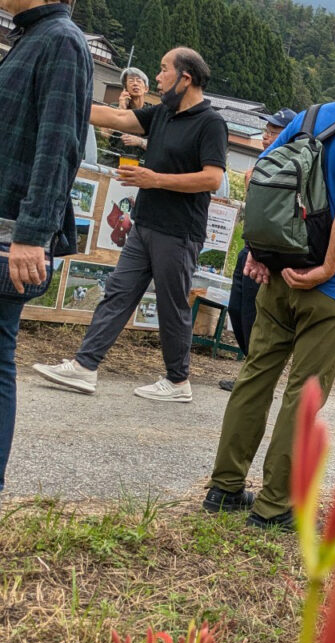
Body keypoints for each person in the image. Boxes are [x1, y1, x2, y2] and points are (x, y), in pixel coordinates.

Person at [202, 34, 335, 529]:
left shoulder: (308, 118)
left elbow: (259, 180)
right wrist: (329, 266)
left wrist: (257, 251)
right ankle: (273, 507)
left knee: (256, 376)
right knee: (305, 393)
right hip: (327, 288)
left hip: (278, 272)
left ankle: (224, 488)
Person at [33, 47, 228, 403]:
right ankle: (84, 366)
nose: (157, 77)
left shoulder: (211, 123)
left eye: (163, 69)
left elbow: (212, 179)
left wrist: (156, 179)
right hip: (144, 225)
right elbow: (117, 118)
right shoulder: (165, 112)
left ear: (185, 78)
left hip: (179, 232)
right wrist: (65, 100)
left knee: (171, 307)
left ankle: (178, 381)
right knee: (117, 293)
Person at [0, 0, 92, 495]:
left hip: (12, 234)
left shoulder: (61, 41)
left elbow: (58, 147)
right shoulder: (32, 36)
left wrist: (32, 235)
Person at [219, 107, 297, 392]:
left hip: (268, 255)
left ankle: (255, 377)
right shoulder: (263, 163)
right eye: (266, 132)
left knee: (256, 317)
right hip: (249, 249)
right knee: (236, 309)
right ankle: (251, 369)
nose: (266, 137)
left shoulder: (291, 167)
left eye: (273, 132)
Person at [116, 67, 149, 154]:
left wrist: (139, 142)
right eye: (131, 81)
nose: (135, 84)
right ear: (125, 88)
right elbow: (103, 134)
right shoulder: (115, 107)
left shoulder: (152, 113)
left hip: (141, 163)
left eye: (138, 81)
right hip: (113, 158)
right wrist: (121, 108)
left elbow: (159, 145)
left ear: (146, 89)